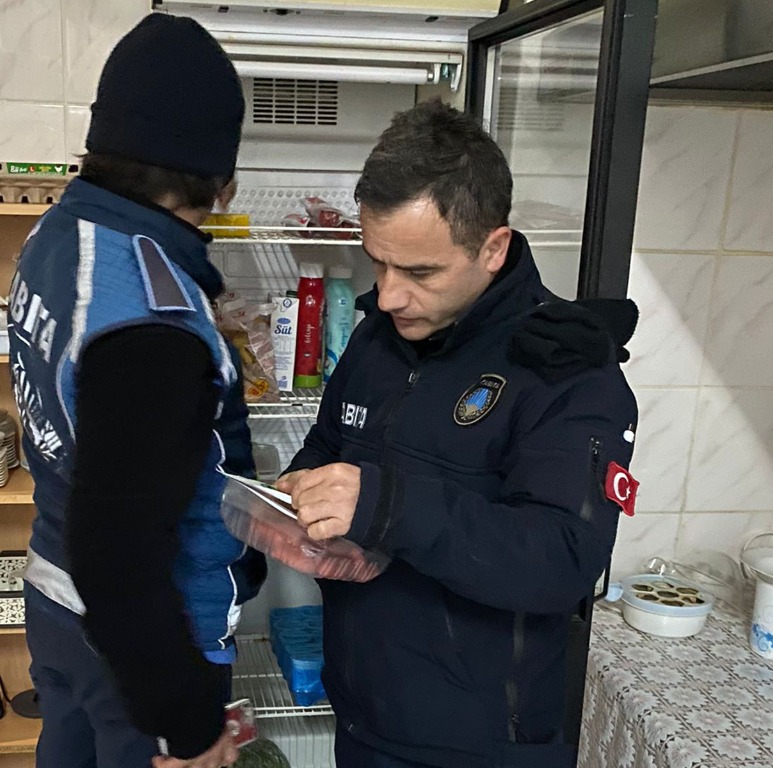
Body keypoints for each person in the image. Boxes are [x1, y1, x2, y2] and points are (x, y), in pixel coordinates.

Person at [276, 99, 639, 768]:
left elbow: (563, 562)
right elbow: (329, 444)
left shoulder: (566, 371)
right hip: (362, 717)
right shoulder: (378, 339)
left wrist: (385, 506)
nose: (387, 296)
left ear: (492, 248)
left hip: (481, 746)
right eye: (378, 263)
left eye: (418, 273)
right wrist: (298, 501)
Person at [8, 13, 264, 768]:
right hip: (140, 649)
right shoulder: (154, 324)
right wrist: (188, 725)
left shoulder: (58, 236)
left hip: (57, 607)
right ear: (225, 184)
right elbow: (119, 557)